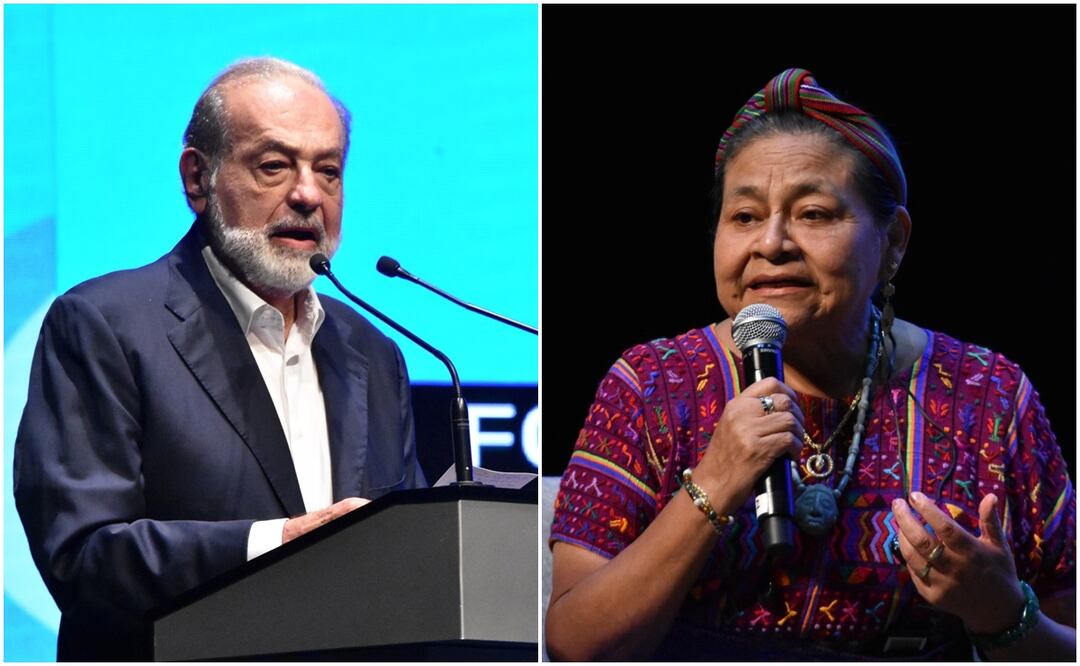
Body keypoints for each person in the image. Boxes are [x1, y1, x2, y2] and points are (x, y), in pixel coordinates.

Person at [546, 68, 1075, 660]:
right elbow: (574, 643)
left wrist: (1001, 612)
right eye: (744, 217)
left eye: (814, 214)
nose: (771, 243)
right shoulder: (652, 384)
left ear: (894, 241)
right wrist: (716, 482)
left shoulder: (989, 396)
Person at [14, 57, 425, 661]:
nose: (309, 194)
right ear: (197, 178)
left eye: (329, 171)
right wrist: (276, 545)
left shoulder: (373, 351)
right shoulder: (104, 324)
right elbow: (84, 556)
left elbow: (410, 557)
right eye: (274, 165)